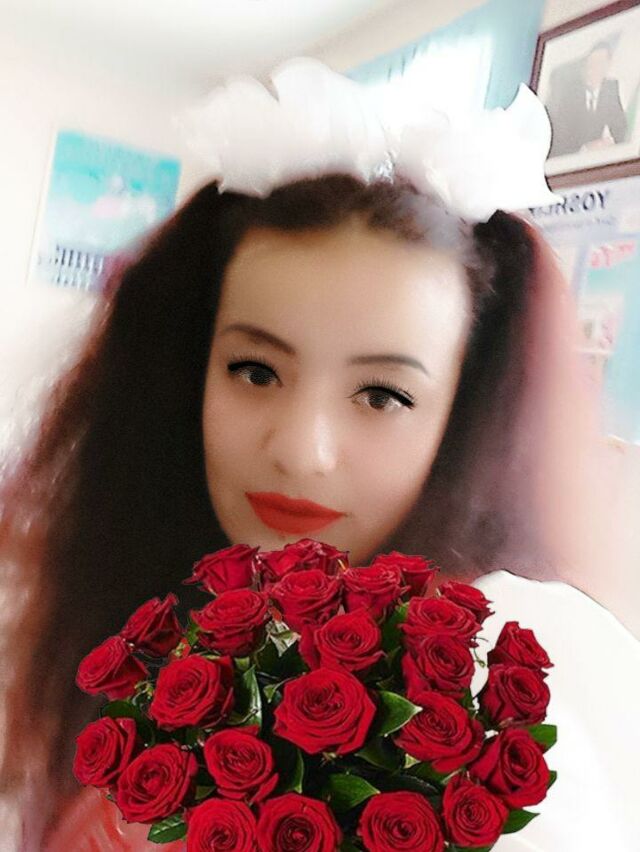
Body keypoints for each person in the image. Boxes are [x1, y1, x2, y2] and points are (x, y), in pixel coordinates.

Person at [0, 58, 638, 851]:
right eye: (255, 371)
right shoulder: (121, 603)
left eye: (382, 396)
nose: (301, 452)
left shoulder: (496, 724)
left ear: (463, 418)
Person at [547, 40, 628, 158]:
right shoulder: (569, 93)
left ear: (608, 66)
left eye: (599, 63)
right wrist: (584, 148)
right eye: (591, 63)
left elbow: (620, 128)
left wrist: (612, 144)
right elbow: (558, 142)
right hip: (572, 157)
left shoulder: (611, 88)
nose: (593, 68)